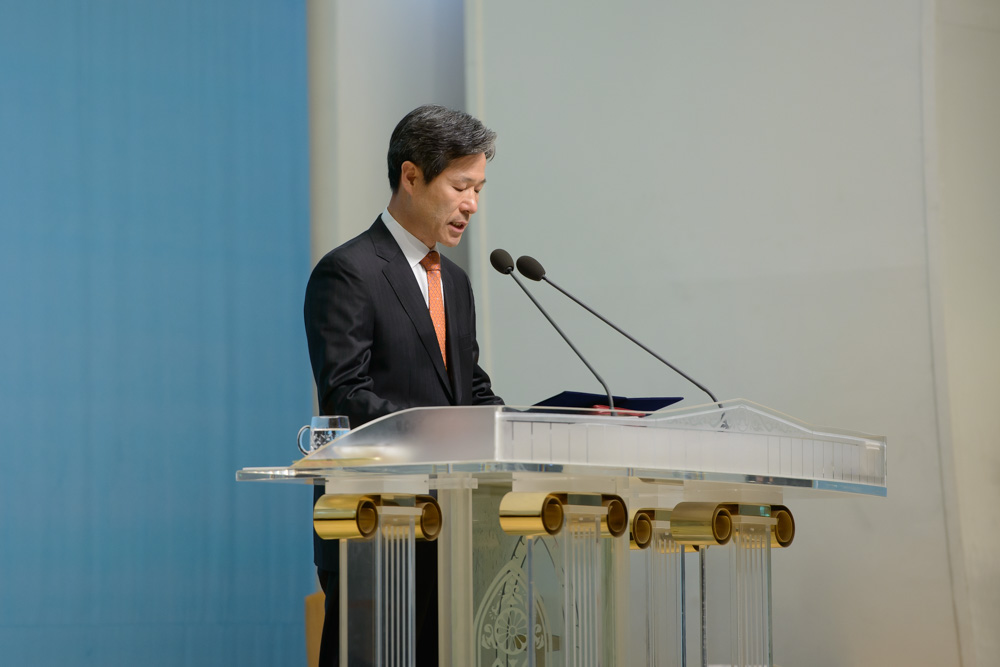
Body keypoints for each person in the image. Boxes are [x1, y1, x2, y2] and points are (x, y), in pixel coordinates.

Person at [303, 104, 504, 666]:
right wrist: (443, 435)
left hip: (455, 529)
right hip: (378, 527)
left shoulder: (455, 282)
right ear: (411, 177)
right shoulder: (349, 272)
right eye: (460, 187)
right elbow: (346, 394)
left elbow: (471, 390)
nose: (472, 204)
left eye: (479, 189)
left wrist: (527, 427)